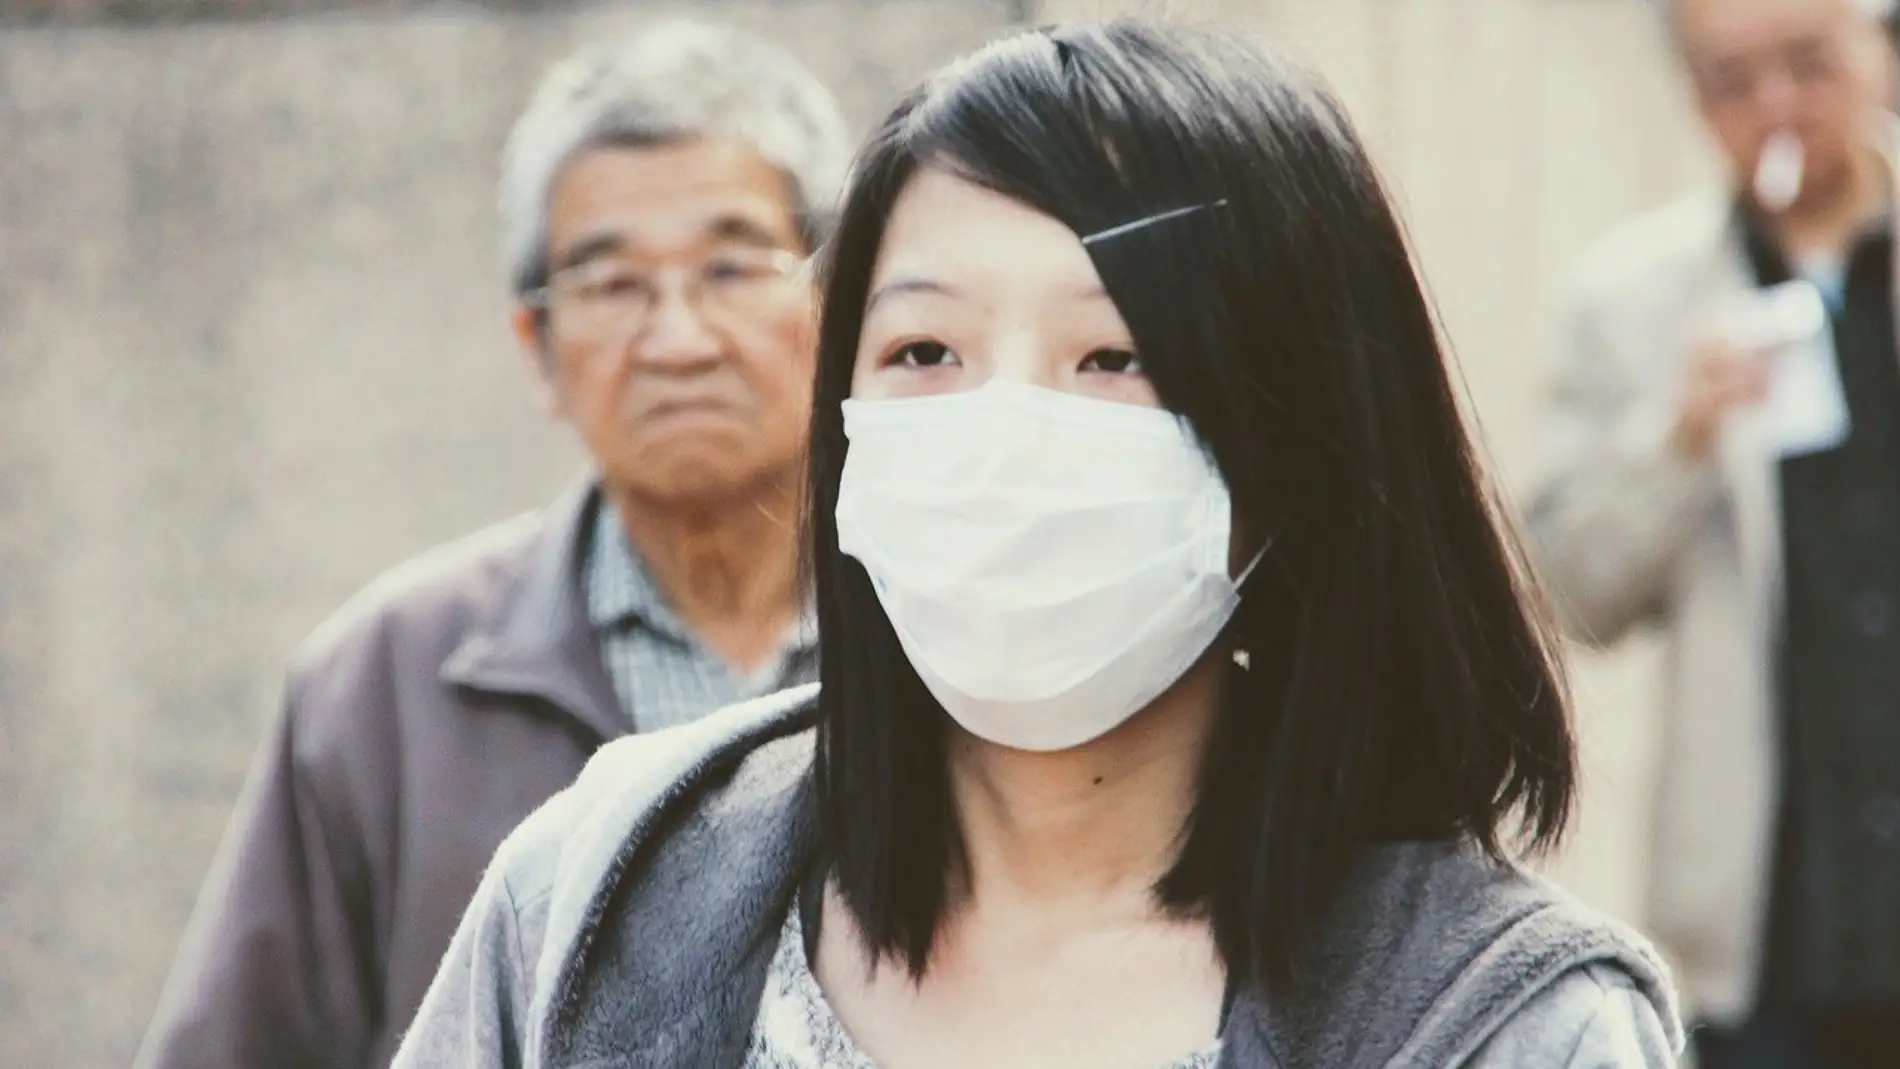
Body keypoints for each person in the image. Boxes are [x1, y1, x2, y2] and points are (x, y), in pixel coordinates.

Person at [391, 19, 1683, 1069]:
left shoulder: (1506, 1023)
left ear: (1299, 444)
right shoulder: (598, 893)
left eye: (1115, 355)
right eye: (924, 352)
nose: (1004, 434)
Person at [133, 21, 847, 1069]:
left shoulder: (945, 638)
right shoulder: (384, 682)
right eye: (611, 285)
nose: (679, 338)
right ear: (537, 350)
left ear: (831, 308)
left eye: (732, 267)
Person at [1526, 0, 1900, 1065]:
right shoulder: (1634, 300)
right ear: (1690, 95)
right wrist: (1678, 437)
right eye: (1734, 80)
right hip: (1767, 929)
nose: (1777, 105)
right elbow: (1567, 589)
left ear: (1878, 48)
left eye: (1808, 61)